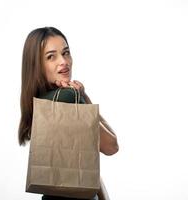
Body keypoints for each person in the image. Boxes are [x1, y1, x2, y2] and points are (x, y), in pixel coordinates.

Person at [18, 27, 119, 200]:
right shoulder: (68, 95)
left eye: (66, 53)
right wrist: (83, 97)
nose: (63, 61)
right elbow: (111, 146)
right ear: (37, 65)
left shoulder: (38, 102)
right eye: (51, 56)